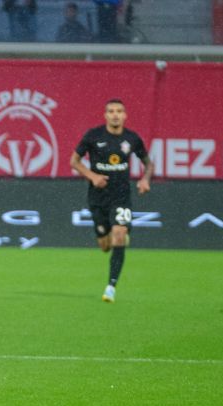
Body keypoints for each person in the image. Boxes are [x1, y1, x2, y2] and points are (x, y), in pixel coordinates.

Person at [70, 99, 154, 303]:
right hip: (98, 198)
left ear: (125, 115)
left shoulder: (132, 138)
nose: (115, 115)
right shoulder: (93, 136)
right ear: (105, 115)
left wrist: (145, 179)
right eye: (111, 111)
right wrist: (93, 176)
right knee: (105, 246)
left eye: (119, 111)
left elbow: (148, 163)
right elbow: (74, 161)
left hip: (121, 196)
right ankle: (117, 235)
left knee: (119, 235)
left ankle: (111, 287)